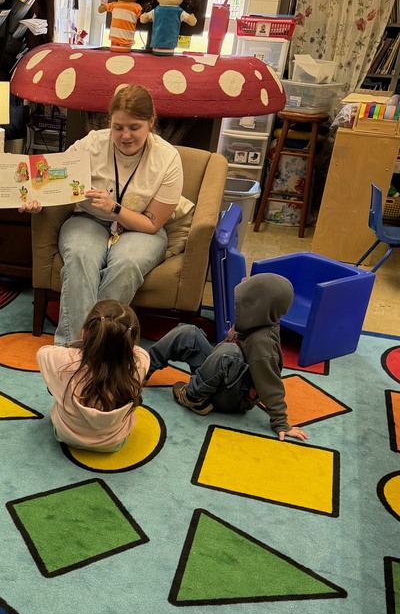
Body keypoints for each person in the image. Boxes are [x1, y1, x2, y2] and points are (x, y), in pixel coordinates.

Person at [21, 84, 193, 346]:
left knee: (126, 264)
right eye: (117, 127)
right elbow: (52, 181)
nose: (125, 135)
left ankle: (100, 348)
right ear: (109, 123)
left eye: (134, 127)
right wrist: (35, 200)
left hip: (141, 227)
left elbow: (153, 223)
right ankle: (72, 348)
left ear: (151, 122)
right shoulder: (92, 144)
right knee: (80, 255)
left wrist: (115, 209)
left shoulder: (167, 158)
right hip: (88, 220)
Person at [146, 273, 310, 441]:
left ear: (258, 307)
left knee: (228, 351)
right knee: (189, 333)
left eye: (244, 304)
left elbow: (270, 384)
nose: (237, 307)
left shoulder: (263, 344)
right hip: (222, 376)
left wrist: (280, 422)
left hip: (233, 398)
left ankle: (193, 396)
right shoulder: (253, 321)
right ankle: (142, 369)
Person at [36, 299, 150, 451]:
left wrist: (76, 348)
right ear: (131, 340)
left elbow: (43, 352)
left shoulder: (62, 360)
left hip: (66, 436)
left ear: (84, 332)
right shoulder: (141, 361)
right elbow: (136, 351)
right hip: (114, 443)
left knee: (56, 380)